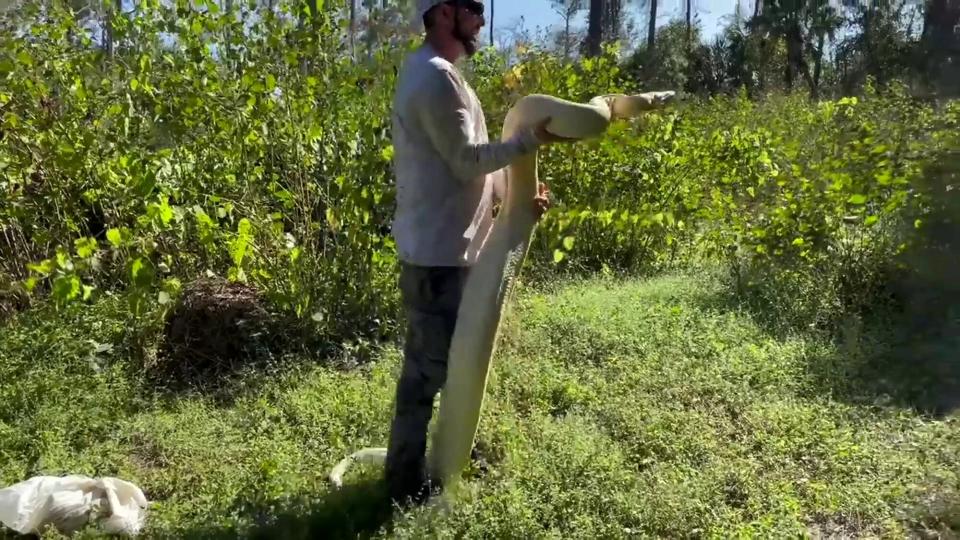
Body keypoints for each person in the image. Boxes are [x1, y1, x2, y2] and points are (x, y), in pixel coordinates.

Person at [385, 0, 572, 506]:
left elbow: (475, 170)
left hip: (454, 249)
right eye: (473, 8)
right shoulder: (433, 78)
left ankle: (439, 464)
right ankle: (402, 485)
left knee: (456, 363)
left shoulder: (449, 77)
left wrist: (517, 203)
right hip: (436, 255)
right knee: (427, 374)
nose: (482, 18)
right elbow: (467, 162)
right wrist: (529, 140)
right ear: (444, 13)